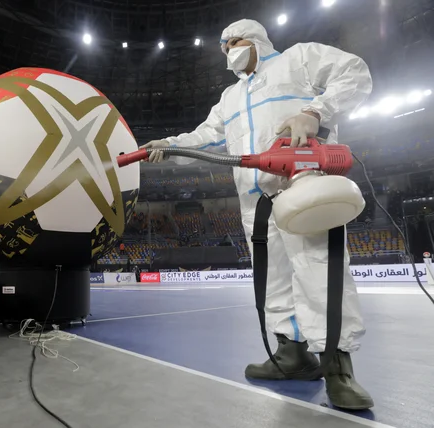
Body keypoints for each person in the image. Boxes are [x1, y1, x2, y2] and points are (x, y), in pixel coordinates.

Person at [141, 19, 373, 410]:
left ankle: (337, 366)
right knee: (274, 281)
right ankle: (291, 355)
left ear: (257, 40)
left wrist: (316, 111)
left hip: (303, 184)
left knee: (320, 271)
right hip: (254, 200)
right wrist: (169, 143)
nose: (228, 49)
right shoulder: (229, 97)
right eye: (223, 46)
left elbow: (354, 72)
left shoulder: (297, 60)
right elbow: (205, 135)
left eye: (235, 41)